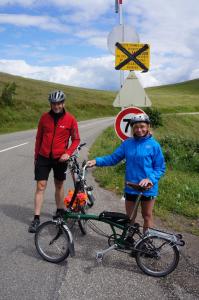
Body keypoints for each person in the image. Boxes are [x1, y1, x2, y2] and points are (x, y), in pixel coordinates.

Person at [87, 113, 165, 234]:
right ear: (133, 128)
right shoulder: (127, 144)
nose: (139, 130)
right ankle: (129, 239)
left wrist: (150, 178)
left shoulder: (154, 145)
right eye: (136, 127)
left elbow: (160, 168)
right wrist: (96, 161)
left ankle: (146, 243)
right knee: (129, 218)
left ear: (148, 126)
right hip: (131, 187)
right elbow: (113, 158)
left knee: (147, 216)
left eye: (142, 126)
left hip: (148, 188)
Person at [28, 90, 80, 233]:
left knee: (59, 185)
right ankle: (36, 218)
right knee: (40, 186)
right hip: (43, 157)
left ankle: (59, 210)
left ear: (63, 103)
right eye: (54, 104)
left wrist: (68, 153)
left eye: (59, 103)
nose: (56, 106)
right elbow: (38, 138)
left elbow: (76, 139)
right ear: (50, 104)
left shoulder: (70, 119)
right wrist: (36, 157)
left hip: (60, 158)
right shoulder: (44, 118)